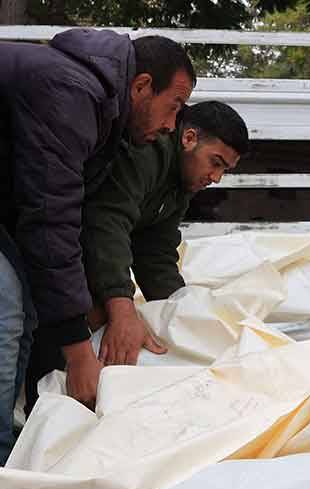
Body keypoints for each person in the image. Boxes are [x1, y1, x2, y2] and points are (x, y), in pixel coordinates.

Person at [0, 29, 195, 460]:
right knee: (7, 306)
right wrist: (78, 354)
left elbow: (60, 218)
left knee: (28, 307)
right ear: (142, 86)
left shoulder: (102, 111)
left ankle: (21, 444)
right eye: (174, 106)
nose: (172, 124)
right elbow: (51, 220)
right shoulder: (71, 93)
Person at [71, 102, 247, 376]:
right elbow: (106, 224)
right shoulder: (147, 153)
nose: (216, 178)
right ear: (189, 138)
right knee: (97, 333)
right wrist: (121, 307)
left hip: (87, 261)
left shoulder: (183, 179)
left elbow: (156, 252)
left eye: (225, 170)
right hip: (60, 258)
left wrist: (180, 314)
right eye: (215, 163)